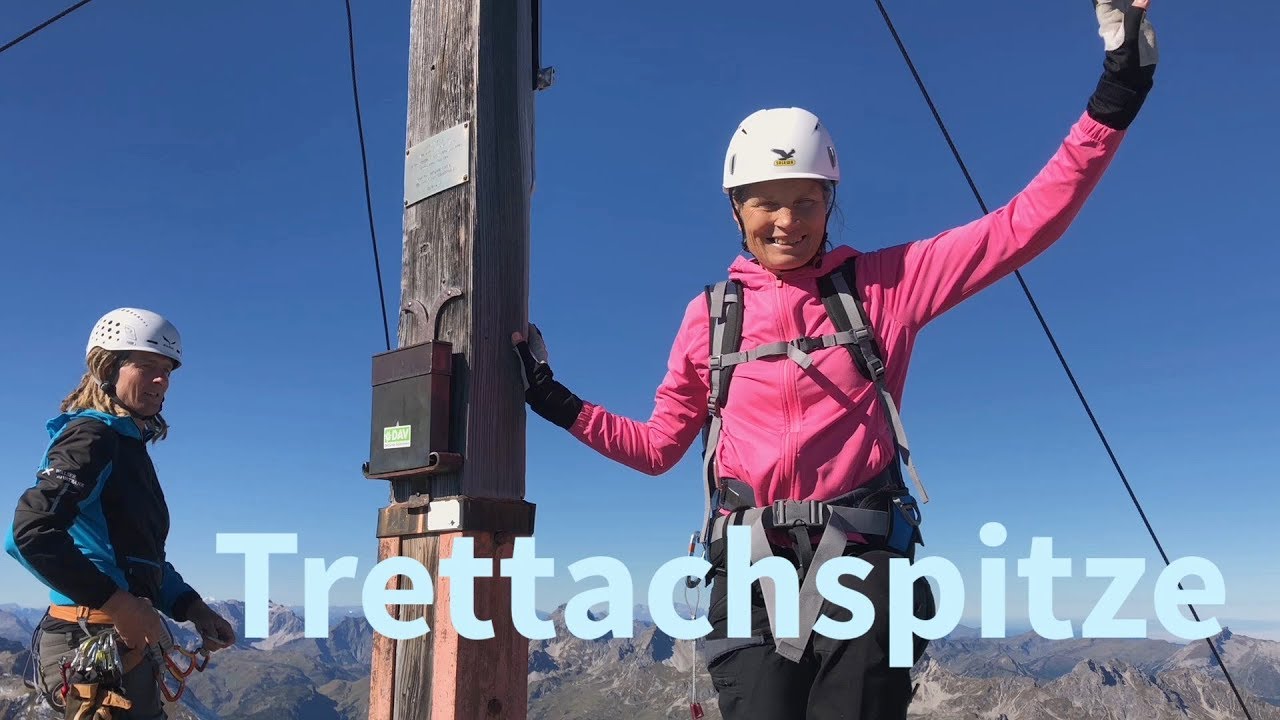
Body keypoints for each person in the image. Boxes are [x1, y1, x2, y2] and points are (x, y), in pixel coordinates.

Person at [513, 2, 1157, 718]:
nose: (787, 221)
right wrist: (556, 401)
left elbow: (1021, 226)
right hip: (750, 571)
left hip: (862, 561)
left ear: (830, 203)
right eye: (766, 203)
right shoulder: (710, 318)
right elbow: (660, 446)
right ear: (736, 210)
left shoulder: (885, 285)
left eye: (806, 201)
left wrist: (1118, 91)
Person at [5, 308, 237, 720]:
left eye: (167, 370)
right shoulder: (91, 437)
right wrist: (120, 605)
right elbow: (29, 533)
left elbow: (139, 560)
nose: (162, 380)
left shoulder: (125, 446)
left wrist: (192, 608)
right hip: (93, 638)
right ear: (107, 368)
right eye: (146, 366)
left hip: (113, 637)